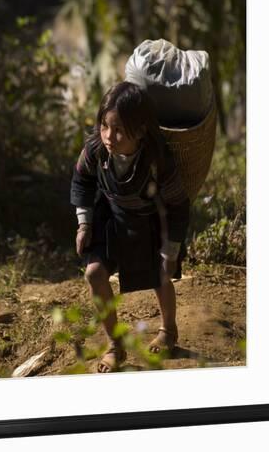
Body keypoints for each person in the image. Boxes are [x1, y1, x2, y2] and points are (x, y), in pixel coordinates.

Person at [70, 81, 190, 373]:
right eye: (105, 126)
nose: (110, 136)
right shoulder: (96, 150)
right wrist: (84, 223)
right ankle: (115, 344)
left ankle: (168, 331)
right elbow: (81, 181)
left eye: (120, 130)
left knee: (161, 275)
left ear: (142, 130)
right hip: (110, 219)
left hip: (149, 223)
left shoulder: (158, 160)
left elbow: (178, 204)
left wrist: (170, 250)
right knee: (94, 273)